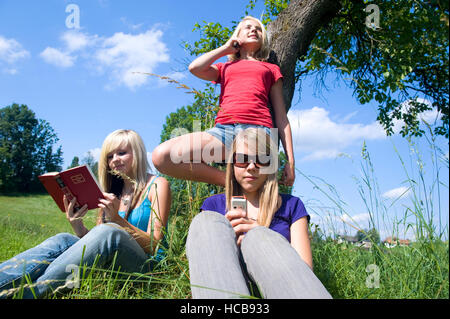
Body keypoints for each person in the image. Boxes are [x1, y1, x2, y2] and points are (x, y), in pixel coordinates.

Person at [0, 129, 171, 299]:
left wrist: (118, 221)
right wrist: (78, 225)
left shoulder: (157, 185)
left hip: (147, 270)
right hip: (112, 266)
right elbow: (98, 245)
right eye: (109, 156)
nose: (115, 160)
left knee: (109, 231)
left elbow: (154, 245)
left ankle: (28, 295)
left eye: (121, 153)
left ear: (138, 153)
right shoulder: (110, 193)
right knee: (64, 239)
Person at [186, 128, 331, 299]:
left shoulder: (292, 206)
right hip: (227, 283)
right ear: (232, 164)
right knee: (206, 222)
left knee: (258, 237)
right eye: (242, 160)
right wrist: (226, 239)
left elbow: (305, 272)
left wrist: (260, 234)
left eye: (261, 160)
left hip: (283, 286)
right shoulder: (213, 205)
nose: (251, 167)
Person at [152, 16, 295, 187]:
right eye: (248, 27)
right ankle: (231, 182)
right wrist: (225, 49)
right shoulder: (225, 67)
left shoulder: (270, 69)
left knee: (255, 191)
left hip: (257, 131)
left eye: (258, 29)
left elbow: (281, 117)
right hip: (223, 132)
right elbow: (194, 68)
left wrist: (290, 161)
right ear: (237, 36)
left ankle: (247, 187)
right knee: (162, 156)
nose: (253, 30)